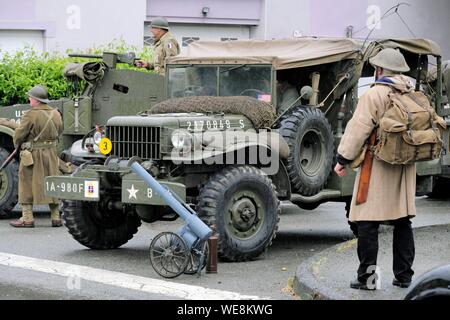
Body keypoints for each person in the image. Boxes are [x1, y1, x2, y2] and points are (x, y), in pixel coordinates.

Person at [334, 48, 416, 290]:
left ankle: (368, 280)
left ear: (380, 70)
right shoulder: (410, 92)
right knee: (403, 221)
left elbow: (358, 128)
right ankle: (404, 277)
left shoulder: (375, 94)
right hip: (404, 166)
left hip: (377, 166)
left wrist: (342, 159)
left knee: (367, 222)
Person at [10, 85, 63, 228]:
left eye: (30, 98)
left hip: (32, 155)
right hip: (51, 153)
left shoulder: (30, 114)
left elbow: (19, 135)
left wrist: (18, 144)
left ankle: (27, 218)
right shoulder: (56, 113)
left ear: (36, 100)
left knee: (26, 182)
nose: (29, 99)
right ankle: (56, 217)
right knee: (52, 182)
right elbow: (60, 130)